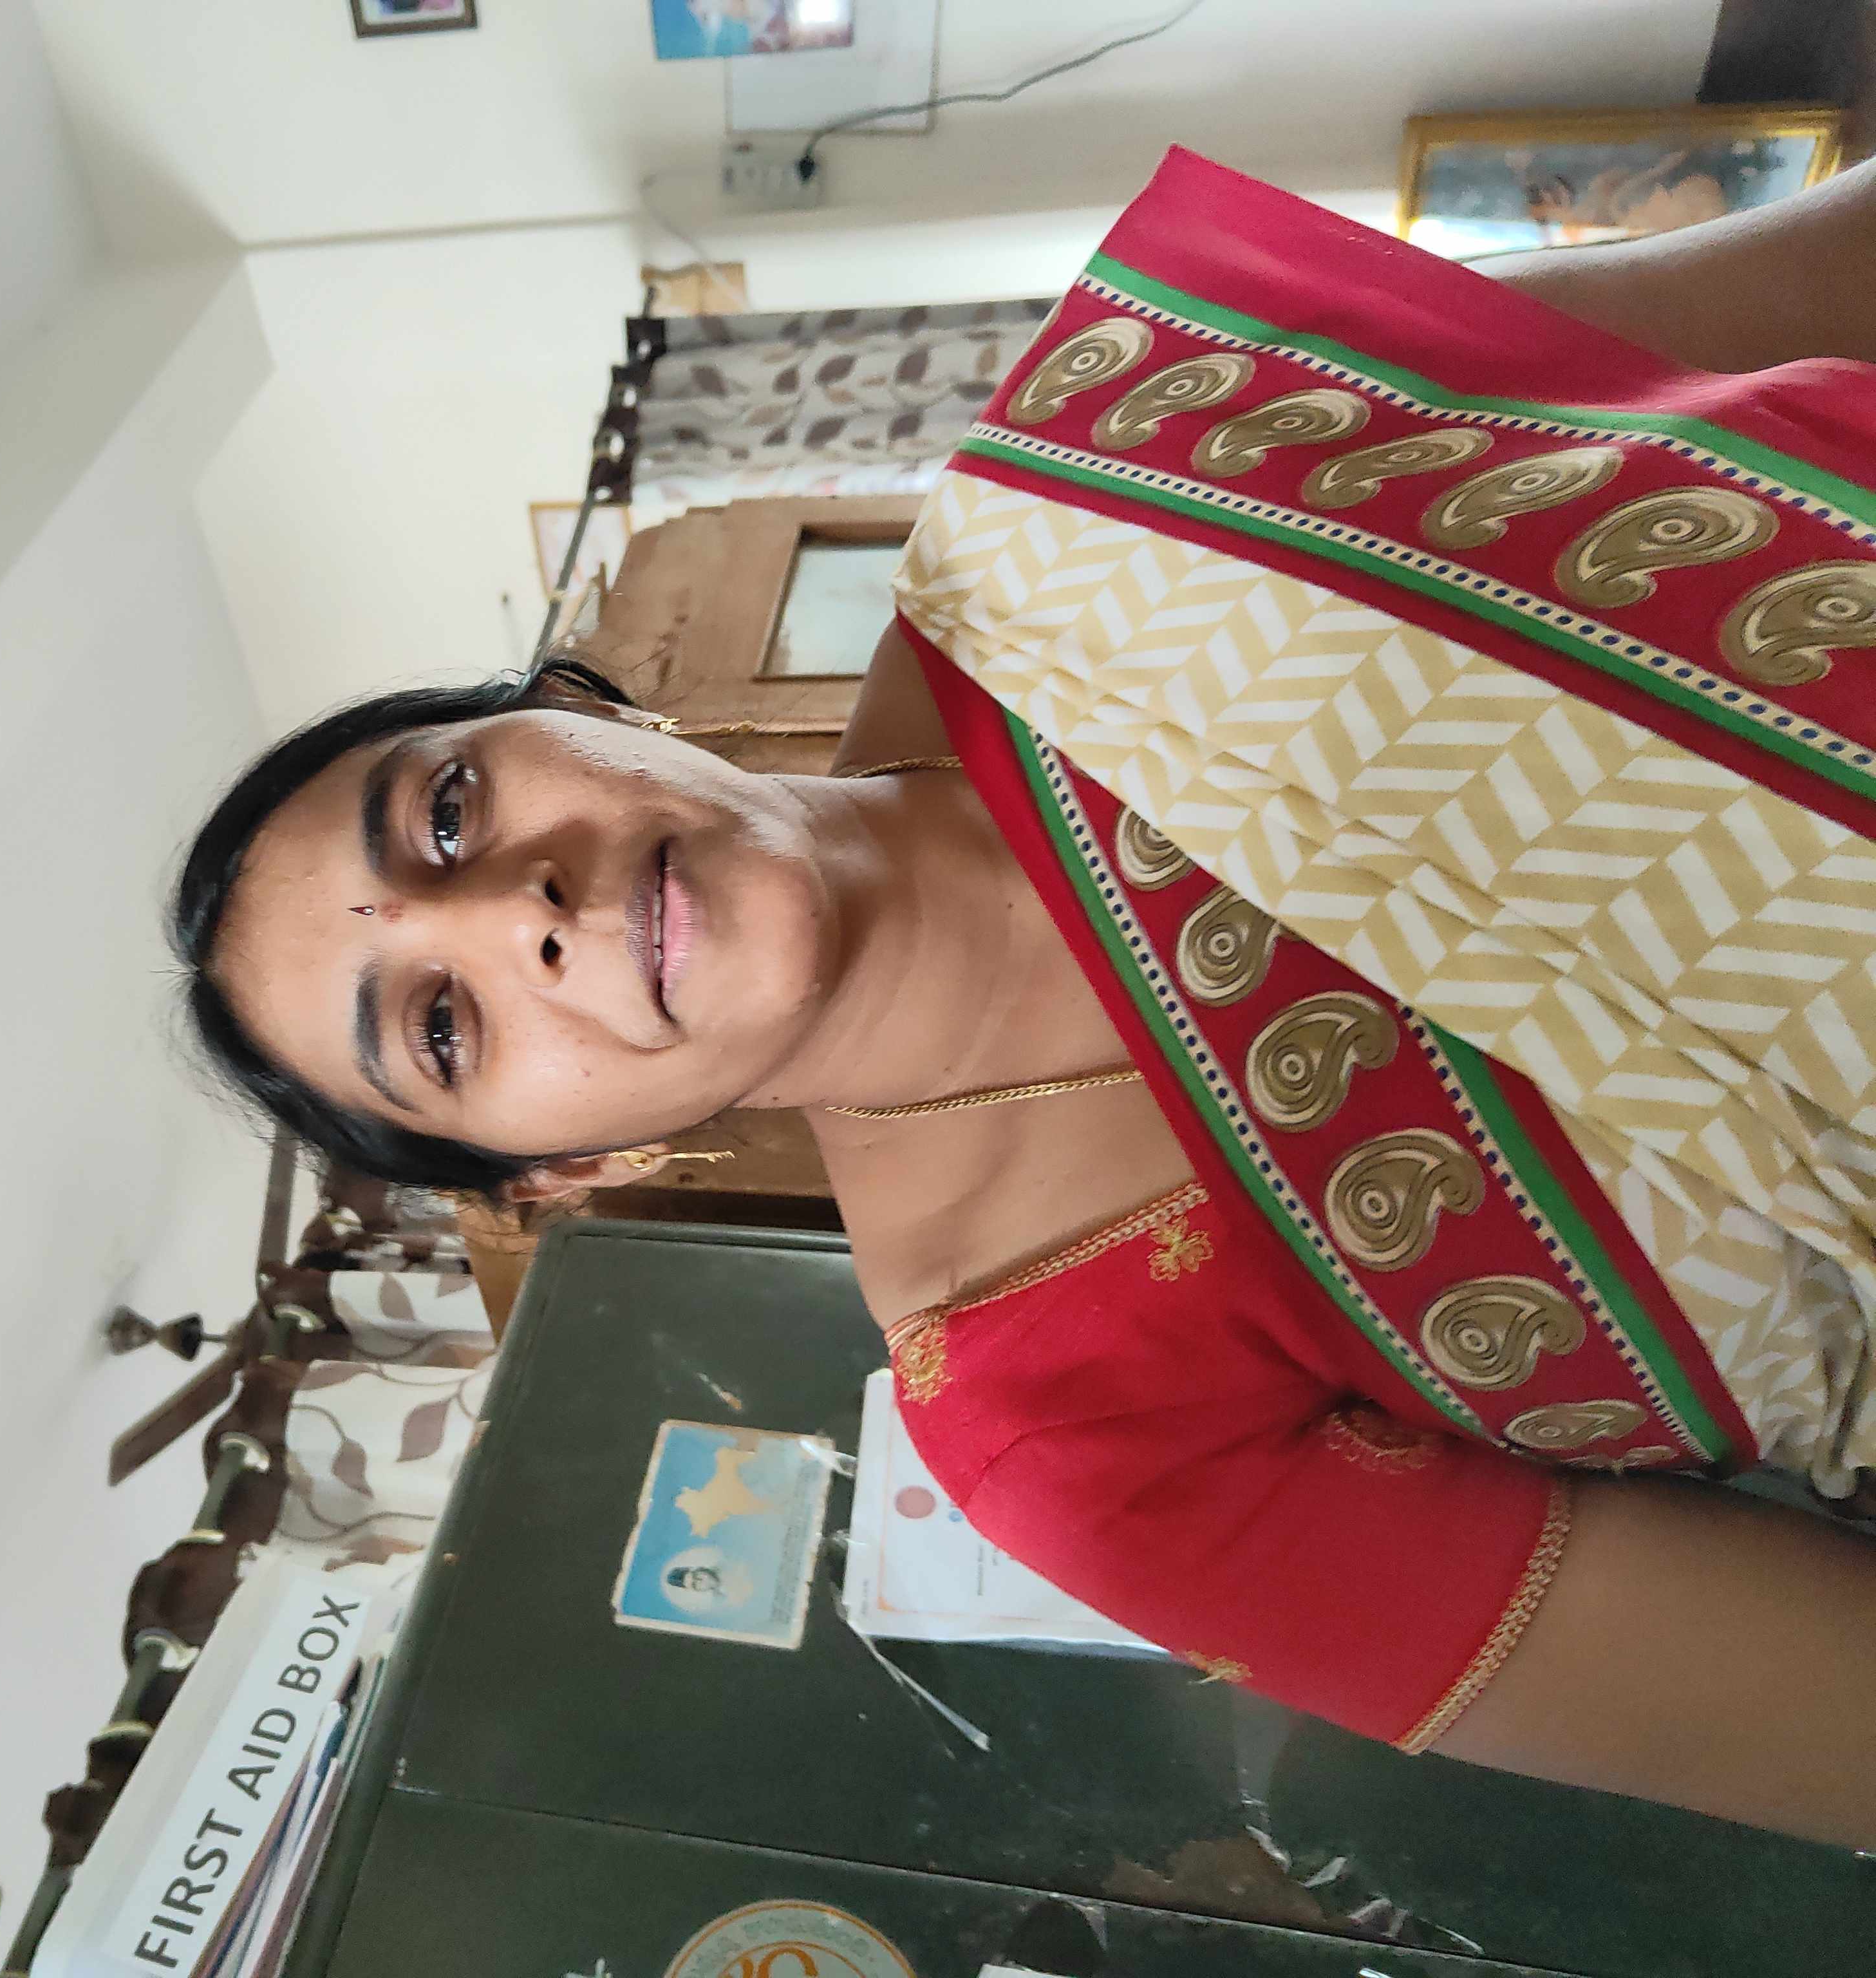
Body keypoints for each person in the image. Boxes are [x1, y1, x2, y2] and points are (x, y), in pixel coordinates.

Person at [171, 149, 1876, 1849]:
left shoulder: (1119, 468)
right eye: (442, 1028)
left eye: (448, 811)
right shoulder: (1075, 1437)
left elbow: (1802, 285)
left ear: (580, 706)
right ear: (569, 1171)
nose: (515, 914)